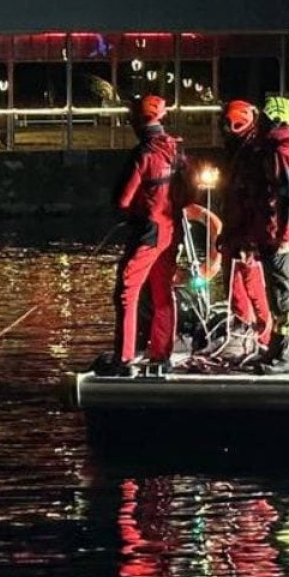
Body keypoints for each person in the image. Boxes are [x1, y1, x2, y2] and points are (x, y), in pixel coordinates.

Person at [92, 94, 187, 377]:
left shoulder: (144, 154)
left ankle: (123, 359)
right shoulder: (176, 150)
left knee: (127, 291)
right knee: (163, 293)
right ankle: (161, 354)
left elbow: (123, 199)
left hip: (148, 232)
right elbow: (187, 192)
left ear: (138, 120)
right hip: (172, 230)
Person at [228, 94, 289, 374]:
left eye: (264, 118)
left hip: (277, 238)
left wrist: (284, 239)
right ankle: (276, 350)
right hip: (269, 235)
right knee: (277, 299)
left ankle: (287, 356)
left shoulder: (280, 153)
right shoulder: (275, 151)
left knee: (285, 299)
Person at [215, 99, 272, 353]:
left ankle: (265, 337)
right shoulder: (238, 152)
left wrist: (250, 240)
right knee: (234, 288)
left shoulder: (253, 154)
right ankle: (244, 334)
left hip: (248, 233)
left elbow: (256, 200)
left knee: (253, 287)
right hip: (235, 230)